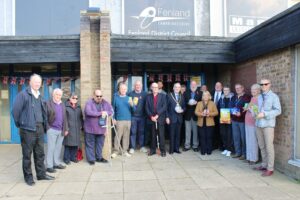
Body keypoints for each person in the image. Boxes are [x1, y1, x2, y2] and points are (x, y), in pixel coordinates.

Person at [12, 74, 54, 186]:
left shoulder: (40, 96)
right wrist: (21, 124)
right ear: (30, 82)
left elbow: (44, 112)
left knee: (40, 153)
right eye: (35, 82)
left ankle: (41, 175)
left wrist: (45, 125)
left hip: (39, 128)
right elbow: (15, 111)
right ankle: (28, 177)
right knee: (27, 155)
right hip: (27, 130)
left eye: (39, 82)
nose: (37, 84)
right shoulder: (23, 95)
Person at [254, 79, 281, 176]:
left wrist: (265, 114)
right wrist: (255, 112)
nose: (263, 86)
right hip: (258, 124)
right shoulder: (260, 97)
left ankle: (270, 168)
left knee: (269, 147)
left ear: (270, 85)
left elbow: (278, 111)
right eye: (261, 84)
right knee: (261, 146)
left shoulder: (274, 97)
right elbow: (258, 109)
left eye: (265, 84)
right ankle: (264, 164)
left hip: (268, 125)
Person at [84, 89, 113, 165]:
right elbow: (88, 112)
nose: (99, 97)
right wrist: (101, 113)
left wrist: (106, 112)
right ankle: (91, 159)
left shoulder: (105, 103)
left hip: (101, 128)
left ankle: (99, 157)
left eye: (100, 96)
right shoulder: (89, 103)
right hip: (90, 128)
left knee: (100, 144)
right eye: (97, 96)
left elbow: (111, 111)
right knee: (90, 144)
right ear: (93, 96)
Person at [46, 88, 68, 173]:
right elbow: (45, 116)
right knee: (51, 148)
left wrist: (65, 128)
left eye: (60, 95)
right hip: (52, 129)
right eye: (57, 94)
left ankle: (56, 163)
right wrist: (48, 127)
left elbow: (65, 117)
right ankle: (49, 166)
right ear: (53, 95)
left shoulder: (62, 104)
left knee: (58, 148)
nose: (58, 96)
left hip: (61, 130)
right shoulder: (48, 103)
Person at [146, 82, 167, 157]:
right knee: (153, 135)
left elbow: (164, 107)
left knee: (161, 135)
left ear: (158, 88)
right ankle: (153, 150)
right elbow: (147, 108)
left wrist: (157, 115)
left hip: (160, 118)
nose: (155, 89)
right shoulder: (148, 96)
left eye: (156, 87)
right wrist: (151, 116)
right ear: (151, 88)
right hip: (151, 119)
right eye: (153, 87)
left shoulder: (163, 96)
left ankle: (163, 150)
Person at [112, 83, 133, 158]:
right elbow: (112, 109)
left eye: (124, 89)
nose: (123, 90)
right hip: (119, 120)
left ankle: (124, 151)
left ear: (126, 90)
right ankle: (116, 151)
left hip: (128, 120)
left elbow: (134, 110)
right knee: (118, 136)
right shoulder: (116, 98)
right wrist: (113, 118)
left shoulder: (129, 98)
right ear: (119, 90)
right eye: (122, 89)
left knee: (126, 136)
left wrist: (132, 105)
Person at [231, 83, 251, 160]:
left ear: (243, 88)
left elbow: (247, 108)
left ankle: (244, 154)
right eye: (236, 88)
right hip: (234, 120)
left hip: (242, 120)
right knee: (236, 137)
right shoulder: (234, 97)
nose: (237, 89)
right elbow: (231, 106)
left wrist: (241, 113)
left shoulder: (247, 97)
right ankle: (237, 152)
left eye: (239, 88)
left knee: (243, 138)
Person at [128, 80, 148, 154]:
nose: (138, 86)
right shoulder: (130, 94)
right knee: (133, 132)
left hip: (142, 117)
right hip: (133, 117)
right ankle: (132, 147)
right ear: (134, 86)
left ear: (141, 86)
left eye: (139, 85)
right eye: (136, 85)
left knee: (141, 132)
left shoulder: (145, 94)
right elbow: (128, 106)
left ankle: (142, 146)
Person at [64, 93, 83, 165]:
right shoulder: (65, 106)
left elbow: (81, 117)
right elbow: (64, 119)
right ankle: (66, 159)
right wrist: (66, 128)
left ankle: (73, 157)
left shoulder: (78, 107)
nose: (75, 99)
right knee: (68, 144)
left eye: (76, 98)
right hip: (69, 128)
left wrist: (81, 125)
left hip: (77, 127)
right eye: (73, 98)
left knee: (75, 144)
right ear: (70, 98)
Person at [166, 83, 186, 154]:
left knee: (178, 135)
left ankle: (176, 149)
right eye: (176, 87)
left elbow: (184, 106)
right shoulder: (169, 95)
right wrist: (167, 117)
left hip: (179, 118)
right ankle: (171, 150)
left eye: (178, 87)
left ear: (180, 89)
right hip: (172, 118)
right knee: (172, 134)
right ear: (173, 88)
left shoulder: (182, 96)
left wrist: (182, 110)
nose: (177, 88)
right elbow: (166, 108)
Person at [183, 81, 202, 152]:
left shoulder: (200, 93)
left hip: (196, 115)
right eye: (192, 84)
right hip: (187, 114)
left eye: (194, 84)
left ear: (196, 85)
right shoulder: (186, 92)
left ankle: (195, 145)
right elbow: (183, 103)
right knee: (187, 131)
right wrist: (187, 103)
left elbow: (202, 103)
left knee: (195, 131)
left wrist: (197, 103)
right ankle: (187, 145)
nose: (193, 85)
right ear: (190, 85)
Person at [244, 84, 260, 165]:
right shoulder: (253, 98)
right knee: (248, 140)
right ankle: (249, 157)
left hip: (253, 123)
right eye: (251, 90)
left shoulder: (259, 99)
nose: (252, 91)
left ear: (258, 90)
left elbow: (257, 113)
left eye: (254, 89)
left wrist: (250, 108)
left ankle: (254, 159)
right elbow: (250, 107)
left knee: (253, 141)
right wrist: (246, 108)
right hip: (247, 122)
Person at [218, 86, 234, 157]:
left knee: (229, 135)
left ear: (229, 91)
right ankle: (226, 148)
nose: (225, 92)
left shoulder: (233, 98)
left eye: (227, 90)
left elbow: (234, 109)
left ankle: (229, 149)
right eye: (224, 90)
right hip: (222, 119)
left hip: (230, 120)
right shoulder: (221, 99)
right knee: (223, 134)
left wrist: (232, 118)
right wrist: (219, 117)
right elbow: (218, 108)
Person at [211, 82, 223, 150]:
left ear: (222, 87)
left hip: (222, 115)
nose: (217, 86)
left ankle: (221, 145)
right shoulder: (211, 93)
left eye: (219, 85)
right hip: (212, 116)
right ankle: (214, 145)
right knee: (213, 131)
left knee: (221, 131)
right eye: (216, 85)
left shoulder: (224, 93)